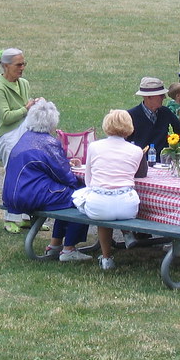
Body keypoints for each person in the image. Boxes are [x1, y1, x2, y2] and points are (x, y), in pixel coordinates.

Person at [2, 100, 90, 262]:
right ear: (52, 122)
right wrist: (78, 180)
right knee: (82, 198)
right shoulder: (48, 143)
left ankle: (55, 244)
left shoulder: (24, 138)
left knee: (68, 197)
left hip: (12, 194)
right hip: (30, 195)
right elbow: (65, 176)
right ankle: (69, 248)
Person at [72, 109, 143, 270]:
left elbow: (89, 181)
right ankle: (127, 233)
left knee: (96, 203)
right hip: (128, 206)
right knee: (113, 202)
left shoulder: (95, 147)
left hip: (100, 204)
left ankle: (106, 258)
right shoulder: (137, 150)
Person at [0, 48, 40, 231]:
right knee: (12, 174)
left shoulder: (24, 83)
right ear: (6, 66)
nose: (22, 68)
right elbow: (5, 117)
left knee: (29, 172)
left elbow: (26, 108)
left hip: (25, 132)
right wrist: (26, 108)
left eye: (23, 64)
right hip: (9, 134)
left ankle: (27, 215)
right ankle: (10, 218)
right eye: (18, 64)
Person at [126, 77, 180, 156]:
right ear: (149, 97)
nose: (164, 97)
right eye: (161, 95)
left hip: (162, 164)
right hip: (138, 163)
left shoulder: (166, 113)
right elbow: (123, 143)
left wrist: (173, 147)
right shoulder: (130, 116)